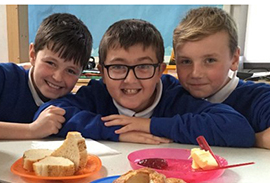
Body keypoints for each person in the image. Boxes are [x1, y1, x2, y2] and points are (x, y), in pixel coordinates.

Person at [34, 19, 255, 147]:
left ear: (160, 70)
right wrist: (115, 131)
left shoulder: (175, 97)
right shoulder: (97, 94)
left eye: (143, 67)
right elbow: (47, 114)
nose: (131, 79)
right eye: (118, 67)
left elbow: (237, 128)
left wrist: (149, 125)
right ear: (101, 72)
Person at [172, 6, 270, 154]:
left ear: (234, 59)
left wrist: (244, 138)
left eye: (210, 60)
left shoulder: (259, 98)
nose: (195, 73)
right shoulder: (172, 97)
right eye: (186, 61)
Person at [0, 13, 92, 140]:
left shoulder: (70, 104)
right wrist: (31, 130)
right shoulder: (0, 77)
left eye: (71, 71)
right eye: (50, 63)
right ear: (33, 55)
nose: (58, 77)